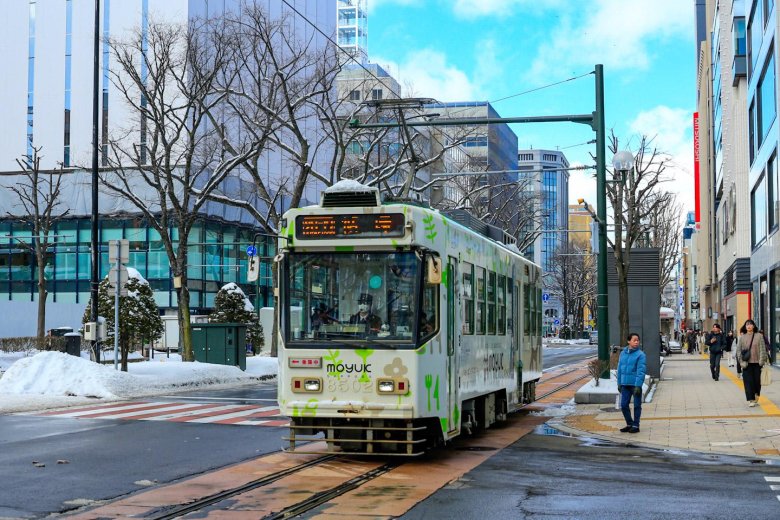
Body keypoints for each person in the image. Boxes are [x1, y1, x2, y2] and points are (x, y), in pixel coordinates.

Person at [617, 332, 647, 434]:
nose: (636, 342)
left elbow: (641, 371)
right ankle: (629, 423)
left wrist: (638, 385)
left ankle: (636, 425)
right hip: (625, 384)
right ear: (628, 341)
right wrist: (619, 383)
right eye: (634, 340)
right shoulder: (623, 353)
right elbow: (619, 369)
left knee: (637, 405)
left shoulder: (640, 355)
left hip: (635, 385)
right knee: (624, 405)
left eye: (638, 340)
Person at [737, 319, 769, 407]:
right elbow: (738, 351)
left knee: (757, 382)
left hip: (757, 363)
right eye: (747, 324)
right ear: (745, 327)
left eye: (750, 324)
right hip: (747, 364)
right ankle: (751, 399)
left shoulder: (759, 336)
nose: (749, 326)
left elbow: (763, 349)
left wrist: (762, 361)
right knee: (748, 382)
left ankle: (756, 394)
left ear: (753, 326)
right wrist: (741, 362)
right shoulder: (742, 337)